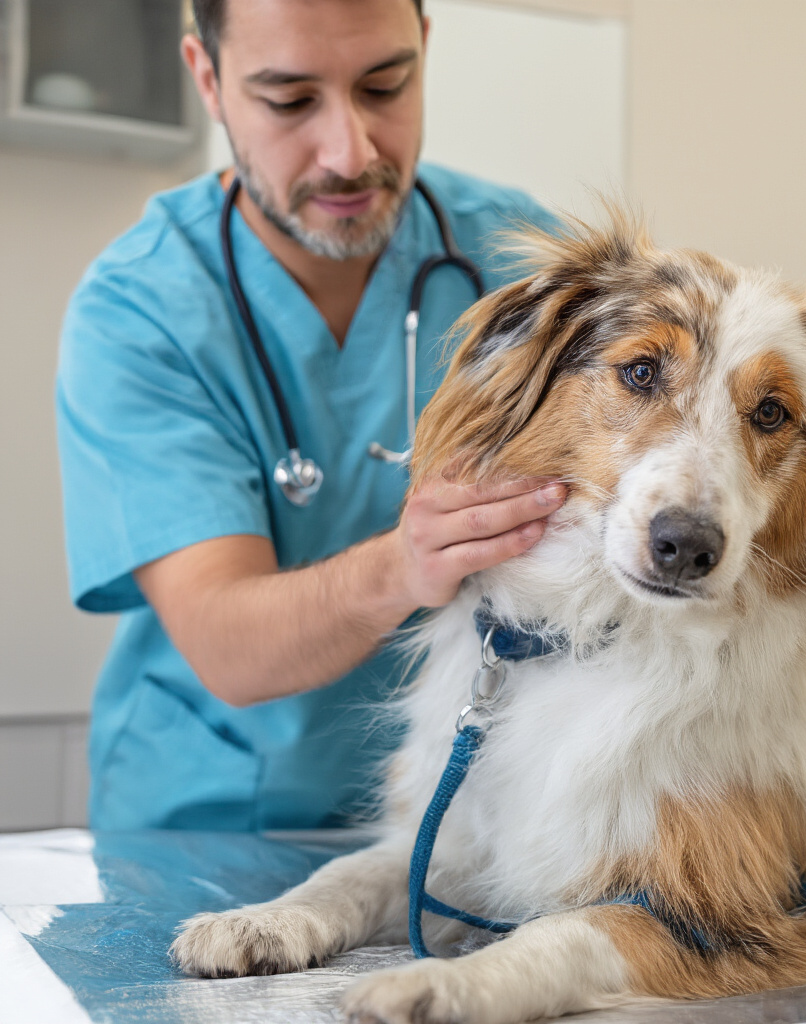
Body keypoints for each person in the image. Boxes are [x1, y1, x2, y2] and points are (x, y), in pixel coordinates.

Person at [55, 0, 567, 831]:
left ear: (424, 49)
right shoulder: (141, 311)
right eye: (290, 101)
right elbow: (228, 639)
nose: (350, 152)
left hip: (480, 809)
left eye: (384, 86)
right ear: (208, 78)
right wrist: (403, 565)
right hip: (219, 819)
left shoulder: (524, 261)